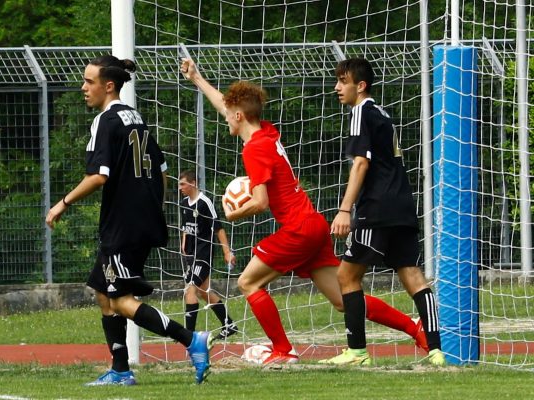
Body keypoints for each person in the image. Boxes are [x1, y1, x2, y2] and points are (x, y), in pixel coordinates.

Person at [180, 57, 428, 365]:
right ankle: (415, 328)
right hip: (313, 224)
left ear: (240, 116)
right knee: (342, 300)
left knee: (248, 282)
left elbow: (261, 202)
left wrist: (232, 213)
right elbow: (227, 105)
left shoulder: (254, 149)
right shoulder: (265, 133)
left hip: (298, 229)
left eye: (229, 115)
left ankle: (283, 350)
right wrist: (197, 78)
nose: (225, 117)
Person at [45, 55, 211, 385]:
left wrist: (61, 203)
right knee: (102, 291)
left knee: (121, 300)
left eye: (89, 82)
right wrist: (151, 207)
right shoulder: (135, 118)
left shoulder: (106, 121)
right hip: (136, 220)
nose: (83, 88)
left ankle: (192, 340)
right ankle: (120, 369)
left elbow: (99, 176)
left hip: (124, 225)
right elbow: (162, 171)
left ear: (109, 86)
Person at [321, 57, 445, 366]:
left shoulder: (361, 111)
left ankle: (357, 352)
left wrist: (344, 209)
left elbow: (361, 163)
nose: (337, 87)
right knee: (414, 277)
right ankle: (436, 350)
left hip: (377, 208)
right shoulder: (382, 114)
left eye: (343, 81)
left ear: (360, 86)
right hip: (403, 205)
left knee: (346, 275)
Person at [178, 170, 239, 339]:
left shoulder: (205, 202)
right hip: (191, 255)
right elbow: (186, 227)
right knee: (204, 291)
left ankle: (188, 336)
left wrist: (227, 252)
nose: (180, 187)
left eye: (183, 184)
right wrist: (184, 243)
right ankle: (229, 324)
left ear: (193, 183)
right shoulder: (183, 203)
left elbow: (218, 228)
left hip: (203, 254)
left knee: (190, 291)